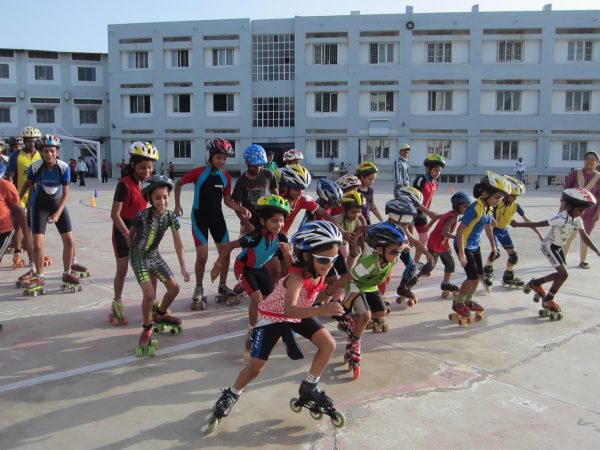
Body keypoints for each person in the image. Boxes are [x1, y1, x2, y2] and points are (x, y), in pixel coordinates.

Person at [204, 221, 345, 434]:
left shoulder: (321, 269)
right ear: (307, 256)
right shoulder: (296, 278)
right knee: (256, 368)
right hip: (274, 317)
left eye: (333, 259)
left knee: (328, 344)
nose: (329, 264)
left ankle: (309, 386)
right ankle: (232, 393)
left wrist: (334, 297)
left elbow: (331, 287)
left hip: (300, 312)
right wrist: (322, 310)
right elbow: (288, 310)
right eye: (324, 259)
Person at [210, 194, 293, 356]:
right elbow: (229, 245)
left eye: (281, 221)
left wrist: (288, 255)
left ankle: (263, 326)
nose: (279, 225)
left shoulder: (282, 238)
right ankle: (252, 331)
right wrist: (217, 265)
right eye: (274, 221)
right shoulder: (256, 236)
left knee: (268, 300)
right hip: (244, 267)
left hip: (259, 268)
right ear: (263, 222)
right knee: (257, 300)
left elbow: (289, 266)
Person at [174, 138, 250, 311]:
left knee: (226, 252)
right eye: (219, 158)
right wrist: (177, 205)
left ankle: (222, 285)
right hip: (199, 218)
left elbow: (228, 201)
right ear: (211, 156)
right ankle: (199, 286)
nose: (222, 161)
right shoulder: (199, 172)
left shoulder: (226, 177)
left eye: (224, 158)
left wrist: (241, 208)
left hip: (217, 219)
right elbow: (178, 183)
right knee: (202, 256)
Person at [329, 222, 408, 379]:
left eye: (399, 251)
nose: (397, 256)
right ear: (379, 249)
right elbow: (347, 278)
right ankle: (354, 343)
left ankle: (353, 320)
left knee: (380, 312)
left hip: (370, 287)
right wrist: (328, 292)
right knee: (366, 316)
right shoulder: (368, 263)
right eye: (394, 252)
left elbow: (406, 247)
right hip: (356, 285)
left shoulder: (392, 256)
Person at [512, 188, 600, 318]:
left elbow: (584, 237)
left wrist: (597, 251)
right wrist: (517, 225)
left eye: (583, 211)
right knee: (563, 274)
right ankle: (548, 300)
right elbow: (540, 223)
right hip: (548, 246)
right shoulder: (561, 217)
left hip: (558, 247)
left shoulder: (577, 220)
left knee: (561, 275)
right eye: (579, 210)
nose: (581, 213)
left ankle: (536, 283)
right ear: (569, 206)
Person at [129, 175, 190, 355]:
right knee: (149, 294)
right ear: (149, 199)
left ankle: (160, 313)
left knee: (174, 288)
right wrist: (131, 249)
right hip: (139, 256)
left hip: (154, 255)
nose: (162, 201)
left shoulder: (171, 217)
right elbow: (130, 234)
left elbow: (179, 243)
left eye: (165, 197)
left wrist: (183, 267)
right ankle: (147, 327)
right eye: (157, 198)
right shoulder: (142, 215)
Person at [18, 135, 81, 295]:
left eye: (52, 151)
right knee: (38, 244)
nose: (49, 154)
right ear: (41, 152)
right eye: (45, 151)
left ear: (57, 151)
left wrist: (58, 213)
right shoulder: (36, 166)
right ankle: (39, 277)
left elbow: (66, 193)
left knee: (69, 241)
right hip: (40, 206)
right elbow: (28, 183)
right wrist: (18, 200)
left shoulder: (64, 167)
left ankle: (66, 274)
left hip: (58, 205)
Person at [109, 141, 157, 325]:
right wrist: (127, 235)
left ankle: (152, 301)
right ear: (133, 165)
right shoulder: (124, 185)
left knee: (151, 267)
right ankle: (117, 302)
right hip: (123, 230)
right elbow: (114, 214)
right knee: (122, 271)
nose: (146, 171)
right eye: (142, 167)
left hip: (141, 229)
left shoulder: (148, 184)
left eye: (150, 168)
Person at [452, 172, 510, 322]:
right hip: (463, 245)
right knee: (471, 276)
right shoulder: (475, 208)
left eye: (500, 198)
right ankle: (458, 303)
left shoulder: (488, 207)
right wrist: (462, 253)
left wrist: (494, 246)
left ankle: (468, 301)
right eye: (496, 197)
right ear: (485, 193)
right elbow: (460, 230)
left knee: (479, 275)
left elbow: (488, 227)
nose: (498, 201)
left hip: (474, 245)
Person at [481, 175, 543, 290]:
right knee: (496, 253)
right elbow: (486, 215)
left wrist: (539, 234)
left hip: (504, 231)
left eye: (517, 196)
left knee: (513, 257)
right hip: (494, 230)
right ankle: (487, 272)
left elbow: (527, 220)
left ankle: (508, 277)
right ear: (507, 194)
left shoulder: (515, 205)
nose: (515, 199)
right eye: (513, 196)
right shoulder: (496, 203)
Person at [6, 126, 41, 274]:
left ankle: (31, 253)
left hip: (36, 195)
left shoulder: (41, 155)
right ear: (24, 141)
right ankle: (18, 251)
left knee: (31, 226)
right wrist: (12, 193)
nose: (31, 144)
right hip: (20, 194)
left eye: (33, 141)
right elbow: (10, 175)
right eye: (28, 141)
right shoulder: (16, 155)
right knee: (19, 226)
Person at [425, 192, 473, 299]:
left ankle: (446, 286)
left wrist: (429, 226)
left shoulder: (452, 214)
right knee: (430, 267)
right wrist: (457, 237)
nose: (466, 208)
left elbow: (437, 216)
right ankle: (412, 279)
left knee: (450, 264)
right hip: (436, 243)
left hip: (443, 244)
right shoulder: (452, 217)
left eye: (467, 206)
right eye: (464, 206)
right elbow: (444, 232)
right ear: (457, 206)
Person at [563, 151, 600, 269]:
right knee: (570, 234)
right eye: (588, 158)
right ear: (584, 160)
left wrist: (598, 213)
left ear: (597, 162)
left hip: (590, 212)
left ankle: (583, 260)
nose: (590, 161)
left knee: (586, 235)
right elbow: (566, 190)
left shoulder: (599, 177)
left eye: (593, 159)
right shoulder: (575, 173)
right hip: (573, 210)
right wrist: (562, 208)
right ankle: (562, 259)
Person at [231, 144, 278, 234]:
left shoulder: (268, 174)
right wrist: (246, 224)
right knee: (247, 247)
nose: (258, 168)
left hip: (266, 222)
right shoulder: (242, 181)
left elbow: (276, 194)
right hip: (248, 223)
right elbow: (237, 206)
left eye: (261, 165)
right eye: (255, 166)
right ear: (247, 163)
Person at [413, 153, 445, 265]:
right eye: (436, 170)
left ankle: (415, 262)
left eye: (440, 171)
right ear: (428, 168)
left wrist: (428, 212)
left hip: (423, 213)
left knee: (423, 239)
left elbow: (429, 199)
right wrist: (429, 212)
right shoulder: (420, 180)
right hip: (411, 212)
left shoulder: (435, 183)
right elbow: (414, 201)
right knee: (406, 240)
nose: (438, 173)